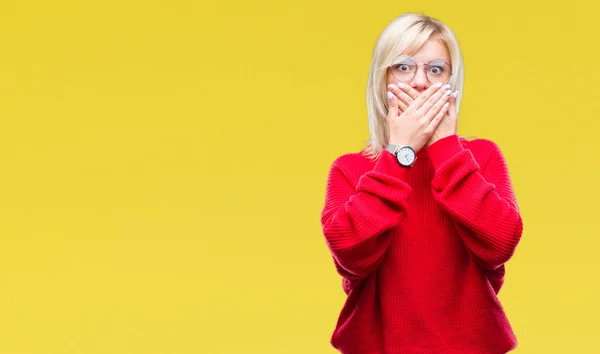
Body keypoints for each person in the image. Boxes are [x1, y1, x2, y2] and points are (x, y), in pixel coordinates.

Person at [319, 13, 524, 354]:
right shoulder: (351, 169)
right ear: (381, 80)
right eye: (403, 67)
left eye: (435, 69)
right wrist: (399, 153)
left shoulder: (482, 157)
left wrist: (446, 148)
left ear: (451, 83)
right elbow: (351, 256)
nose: (419, 83)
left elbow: (501, 244)